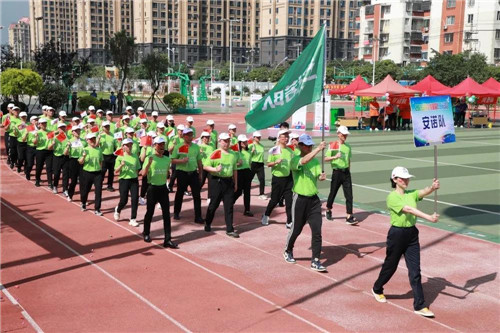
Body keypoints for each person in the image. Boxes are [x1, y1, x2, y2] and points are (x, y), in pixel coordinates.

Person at [372, 166, 440, 318]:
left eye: (407, 178)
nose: (406, 181)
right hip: (397, 235)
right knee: (391, 266)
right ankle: (377, 288)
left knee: (415, 271)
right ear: (395, 179)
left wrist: (432, 187)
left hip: (412, 235)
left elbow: (423, 192)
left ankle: (420, 305)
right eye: (403, 178)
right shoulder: (392, 197)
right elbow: (408, 209)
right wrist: (429, 217)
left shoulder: (411, 193)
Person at [283, 134, 327, 272]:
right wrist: (318, 149)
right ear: (300, 146)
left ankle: (315, 260)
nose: (309, 147)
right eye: (307, 145)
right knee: (296, 228)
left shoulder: (315, 162)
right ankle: (288, 250)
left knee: (317, 230)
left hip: (314, 200)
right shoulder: (295, 159)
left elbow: (318, 175)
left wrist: (321, 177)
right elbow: (303, 161)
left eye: (311, 145)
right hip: (300, 199)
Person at [141, 136, 178, 249]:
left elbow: (167, 173)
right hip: (152, 189)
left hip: (162, 189)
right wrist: (148, 164)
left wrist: (166, 181)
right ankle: (146, 233)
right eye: (159, 144)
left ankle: (168, 239)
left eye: (163, 144)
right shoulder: (150, 158)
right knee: (150, 212)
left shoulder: (167, 159)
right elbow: (143, 174)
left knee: (166, 214)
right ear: (154, 146)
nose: (162, 146)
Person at [203, 133, 239, 238]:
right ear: (219, 141)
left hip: (228, 182)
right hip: (217, 181)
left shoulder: (233, 154)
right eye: (224, 141)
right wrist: (215, 169)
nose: (226, 143)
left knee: (229, 206)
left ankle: (229, 229)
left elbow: (235, 169)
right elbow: (206, 166)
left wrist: (235, 183)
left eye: (228, 140)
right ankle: (208, 222)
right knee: (214, 204)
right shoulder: (216, 153)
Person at [261, 129, 294, 228]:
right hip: (278, 179)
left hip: (288, 179)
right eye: (284, 136)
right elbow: (268, 164)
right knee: (274, 200)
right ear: (279, 138)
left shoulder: (289, 150)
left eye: (288, 136)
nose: (287, 138)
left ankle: (289, 221)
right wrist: (276, 162)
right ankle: (266, 215)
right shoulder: (274, 150)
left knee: (289, 201)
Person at [324, 126, 357, 224]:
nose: (344, 136)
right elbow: (326, 158)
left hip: (346, 173)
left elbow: (349, 160)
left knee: (349, 195)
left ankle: (349, 216)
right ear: (338, 134)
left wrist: (348, 171)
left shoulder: (348, 147)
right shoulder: (333, 145)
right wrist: (335, 156)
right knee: (333, 192)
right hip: (337, 172)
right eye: (343, 134)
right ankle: (328, 209)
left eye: (346, 134)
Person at [171, 127, 204, 223]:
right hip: (182, 173)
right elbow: (172, 159)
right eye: (188, 135)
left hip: (193, 173)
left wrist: (200, 173)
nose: (190, 137)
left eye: (191, 135)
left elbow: (199, 161)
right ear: (184, 136)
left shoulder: (196, 147)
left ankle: (198, 216)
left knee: (197, 195)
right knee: (180, 193)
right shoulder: (178, 147)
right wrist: (182, 160)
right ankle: (176, 212)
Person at [114, 138, 141, 227]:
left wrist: (135, 177)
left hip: (134, 180)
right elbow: (116, 172)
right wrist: (121, 165)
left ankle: (133, 219)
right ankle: (118, 209)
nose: (129, 147)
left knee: (135, 199)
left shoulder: (135, 156)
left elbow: (137, 168)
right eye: (127, 145)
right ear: (123, 147)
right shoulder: (120, 157)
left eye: (130, 145)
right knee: (124, 200)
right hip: (124, 180)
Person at [79, 132, 104, 215]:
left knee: (98, 191)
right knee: (85, 190)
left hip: (97, 173)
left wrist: (100, 170)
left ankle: (97, 208)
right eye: (91, 139)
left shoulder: (99, 150)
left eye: (94, 138)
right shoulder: (84, 149)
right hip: (87, 173)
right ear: (87, 140)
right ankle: (83, 202)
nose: (93, 140)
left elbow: (101, 161)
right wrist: (83, 156)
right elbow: (80, 162)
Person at [233, 134, 253, 217]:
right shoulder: (236, 152)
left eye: (246, 142)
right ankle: (230, 202)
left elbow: (250, 162)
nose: (245, 143)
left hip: (247, 172)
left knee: (247, 192)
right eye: (243, 142)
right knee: (238, 191)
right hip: (239, 172)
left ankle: (247, 210)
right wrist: (238, 164)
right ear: (239, 143)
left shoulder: (249, 152)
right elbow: (232, 164)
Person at [64, 125, 85, 202]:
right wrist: (68, 147)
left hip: (82, 161)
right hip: (73, 161)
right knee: (74, 181)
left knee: (83, 181)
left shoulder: (83, 141)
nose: (77, 132)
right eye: (75, 131)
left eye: (78, 130)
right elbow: (65, 153)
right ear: (72, 132)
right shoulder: (70, 141)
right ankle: (70, 195)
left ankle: (83, 199)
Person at [34, 118, 53, 188]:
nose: (44, 125)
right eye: (42, 123)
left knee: (49, 167)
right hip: (40, 151)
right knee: (39, 167)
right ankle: (37, 180)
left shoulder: (50, 132)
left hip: (49, 151)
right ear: (39, 124)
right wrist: (36, 138)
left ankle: (50, 182)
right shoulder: (37, 132)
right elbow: (35, 143)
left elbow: (51, 141)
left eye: (45, 123)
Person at [97, 121, 117, 192]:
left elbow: (116, 145)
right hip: (103, 156)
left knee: (111, 172)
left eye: (108, 126)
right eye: (105, 127)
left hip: (111, 155)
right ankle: (99, 185)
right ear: (102, 128)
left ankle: (109, 185)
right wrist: (98, 139)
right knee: (102, 171)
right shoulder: (100, 136)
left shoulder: (113, 135)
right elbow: (96, 146)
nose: (107, 128)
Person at [51, 123, 70, 195]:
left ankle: (65, 189)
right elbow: (50, 147)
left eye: (63, 128)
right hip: (57, 156)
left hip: (66, 157)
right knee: (56, 173)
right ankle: (55, 186)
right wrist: (53, 144)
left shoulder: (68, 137)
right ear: (58, 129)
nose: (62, 129)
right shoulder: (55, 137)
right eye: (61, 128)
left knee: (66, 174)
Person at [249, 131, 266, 200]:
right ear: (254, 138)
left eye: (259, 137)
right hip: (253, 164)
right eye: (257, 137)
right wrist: (251, 152)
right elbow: (247, 155)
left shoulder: (262, 146)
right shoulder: (250, 146)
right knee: (249, 179)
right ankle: (245, 190)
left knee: (262, 179)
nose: (259, 138)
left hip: (260, 164)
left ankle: (261, 194)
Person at [23, 116, 39, 180]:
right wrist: (26, 134)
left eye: (37, 120)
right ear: (31, 121)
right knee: (30, 164)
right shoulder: (28, 128)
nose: (36, 121)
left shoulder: (40, 128)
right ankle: (27, 172)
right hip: (30, 148)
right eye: (35, 120)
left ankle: (38, 178)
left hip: (38, 148)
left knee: (39, 165)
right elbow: (23, 139)